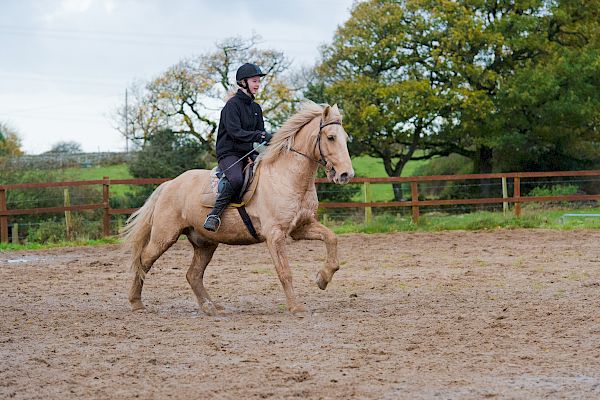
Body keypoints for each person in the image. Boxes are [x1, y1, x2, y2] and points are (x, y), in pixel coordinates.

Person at [203, 63, 273, 232]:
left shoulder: (256, 108)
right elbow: (235, 133)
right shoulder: (231, 106)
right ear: (243, 82)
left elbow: (260, 132)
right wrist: (259, 136)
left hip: (249, 151)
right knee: (236, 179)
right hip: (229, 152)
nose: (257, 84)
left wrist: (271, 138)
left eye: (258, 81)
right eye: (254, 81)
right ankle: (214, 214)